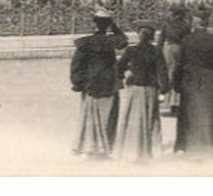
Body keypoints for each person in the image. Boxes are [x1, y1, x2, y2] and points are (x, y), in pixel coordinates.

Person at [71, 8, 127, 157]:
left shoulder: (86, 42)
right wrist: (113, 25)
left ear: (94, 23)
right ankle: (105, 149)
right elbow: (123, 41)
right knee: (108, 115)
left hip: (91, 83)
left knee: (90, 116)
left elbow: (76, 65)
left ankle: (89, 147)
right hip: (109, 82)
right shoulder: (110, 41)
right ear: (107, 24)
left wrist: (78, 82)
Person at [115, 23, 168, 161]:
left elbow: (118, 67)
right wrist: (163, 90)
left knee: (131, 118)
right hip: (150, 88)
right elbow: (162, 72)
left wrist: (126, 74)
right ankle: (151, 151)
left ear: (139, 36)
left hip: (134, 88)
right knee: (151, 118)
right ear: (151, 37)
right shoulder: (156, 51)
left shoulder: (131, 50)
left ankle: (129, 150)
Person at [174, 11, 213, 154]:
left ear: (196, 23)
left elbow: (180, 62)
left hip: (190, 77)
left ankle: (185, 143)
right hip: (209, 77)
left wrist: (176, 81)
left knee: (188, 110)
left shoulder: (187, 39)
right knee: (207, 109)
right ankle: (206, 142)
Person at [160, 6, 192, 115]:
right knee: (178, 73)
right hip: (180, 49)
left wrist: (158, 52)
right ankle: (176, 100)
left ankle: (167, 99)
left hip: (168, 48)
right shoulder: (185, 25)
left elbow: (161, 40)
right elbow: (187, 40)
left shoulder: (167, 24)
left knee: (169, 72)